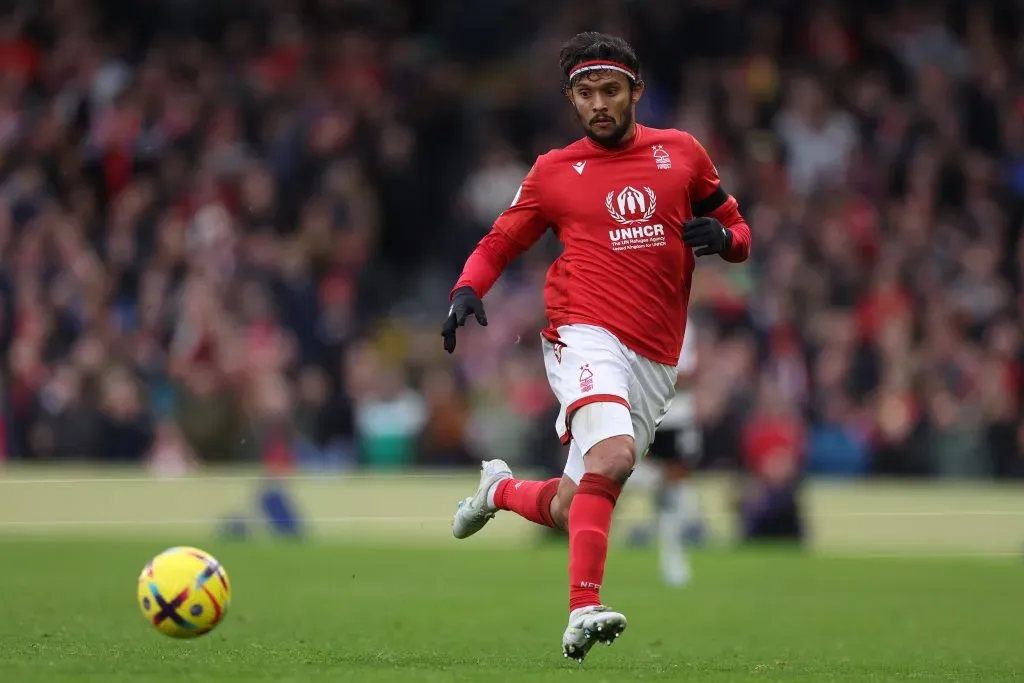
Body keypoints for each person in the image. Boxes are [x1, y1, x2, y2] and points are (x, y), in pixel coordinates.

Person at [441, 32, 751, 662]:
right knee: (611, 457)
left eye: (610, 90)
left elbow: (741, 231)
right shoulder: (555, 171)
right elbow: (501, 241)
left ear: (635, 91)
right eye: (585, 94)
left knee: (570, 502)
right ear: (571, 100)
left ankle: (497, 491)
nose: (599, 104)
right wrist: (468, 287)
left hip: (656, 355)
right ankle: (583, 608)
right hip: (583, 333)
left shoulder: (682, 154)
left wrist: (722, 236)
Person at [640, 315, 704, 588]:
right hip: (640, 412)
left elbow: (687, 372)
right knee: (619, 469)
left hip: (675, 415)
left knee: (675, 483)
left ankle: (672, 555)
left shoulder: (683, 320)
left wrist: (653, 376)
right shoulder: (636, 313)